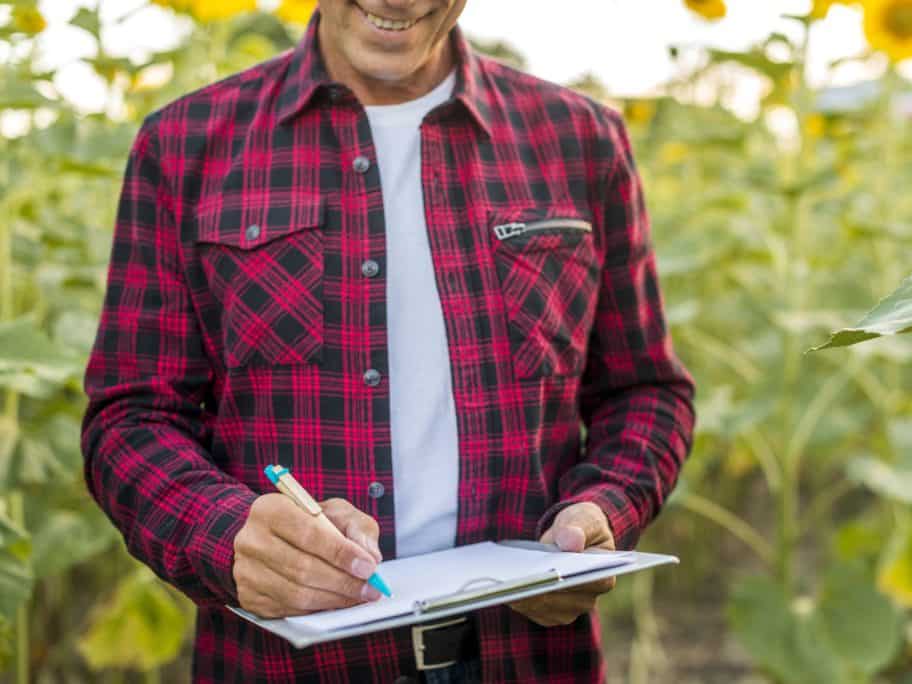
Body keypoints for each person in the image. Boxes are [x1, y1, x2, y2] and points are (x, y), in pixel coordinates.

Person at [80, 1, 696, 681]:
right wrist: (225, 533)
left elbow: (646, 392)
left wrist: (602, 507)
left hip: (527, 658)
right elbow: (130, 418)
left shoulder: (582, 139)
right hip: (291, 667)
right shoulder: (186, 145)